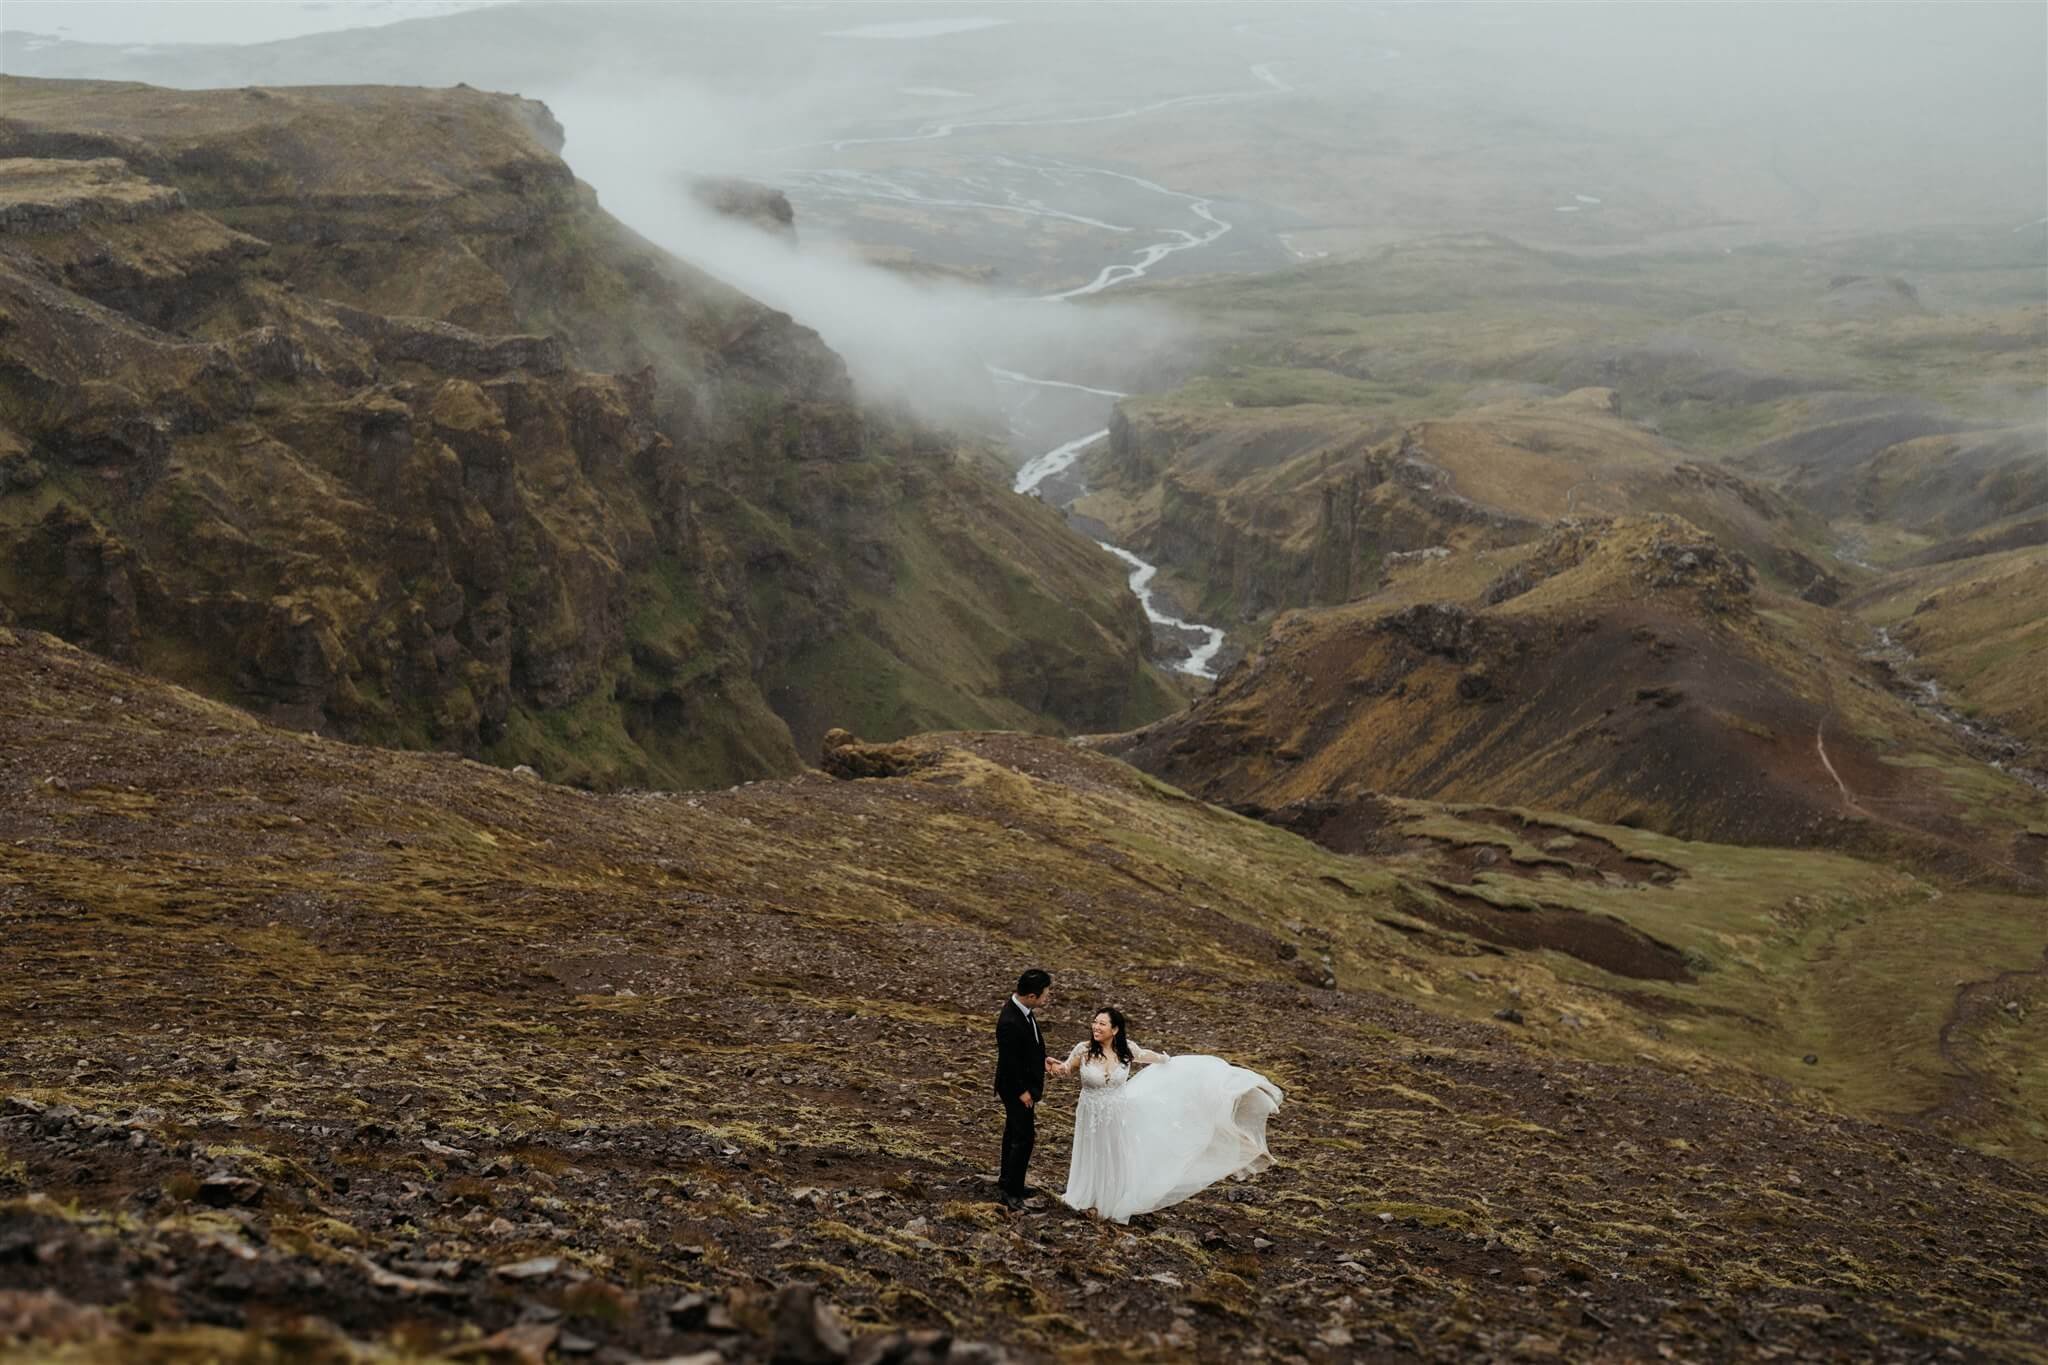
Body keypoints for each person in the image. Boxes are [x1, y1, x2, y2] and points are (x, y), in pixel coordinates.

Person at [1046, 1005, 1282, 1224]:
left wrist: (1171, 1063)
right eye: (1094, 1022)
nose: (1096, 1027)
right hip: (1091, 1114)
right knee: (1093, 1152)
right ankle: (1087, 1196)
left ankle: (1111, 1201)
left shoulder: (1127, 1049)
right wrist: (1054, 1066)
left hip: (1117, 1112)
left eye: (1102, 1024)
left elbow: (1157, 1059)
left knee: (1115, 1154)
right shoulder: (1084, 1050)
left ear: (1115, 1029)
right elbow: (1066, 1069)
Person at [992, 968, 1052, 1209]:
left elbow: (1028, 1047)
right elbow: (1010, 1061)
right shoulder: (1009, 1020)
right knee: (1024, 1138)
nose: (1047, 997)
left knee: (1013, 1134)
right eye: (1045, 994)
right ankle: (1011, 1192)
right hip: (1016, 1088)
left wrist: (1042, 1060)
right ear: (1031, 996)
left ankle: (1008, 1180)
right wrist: (1022, 1091)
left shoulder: (1022, 1010)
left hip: (1020, 1085)